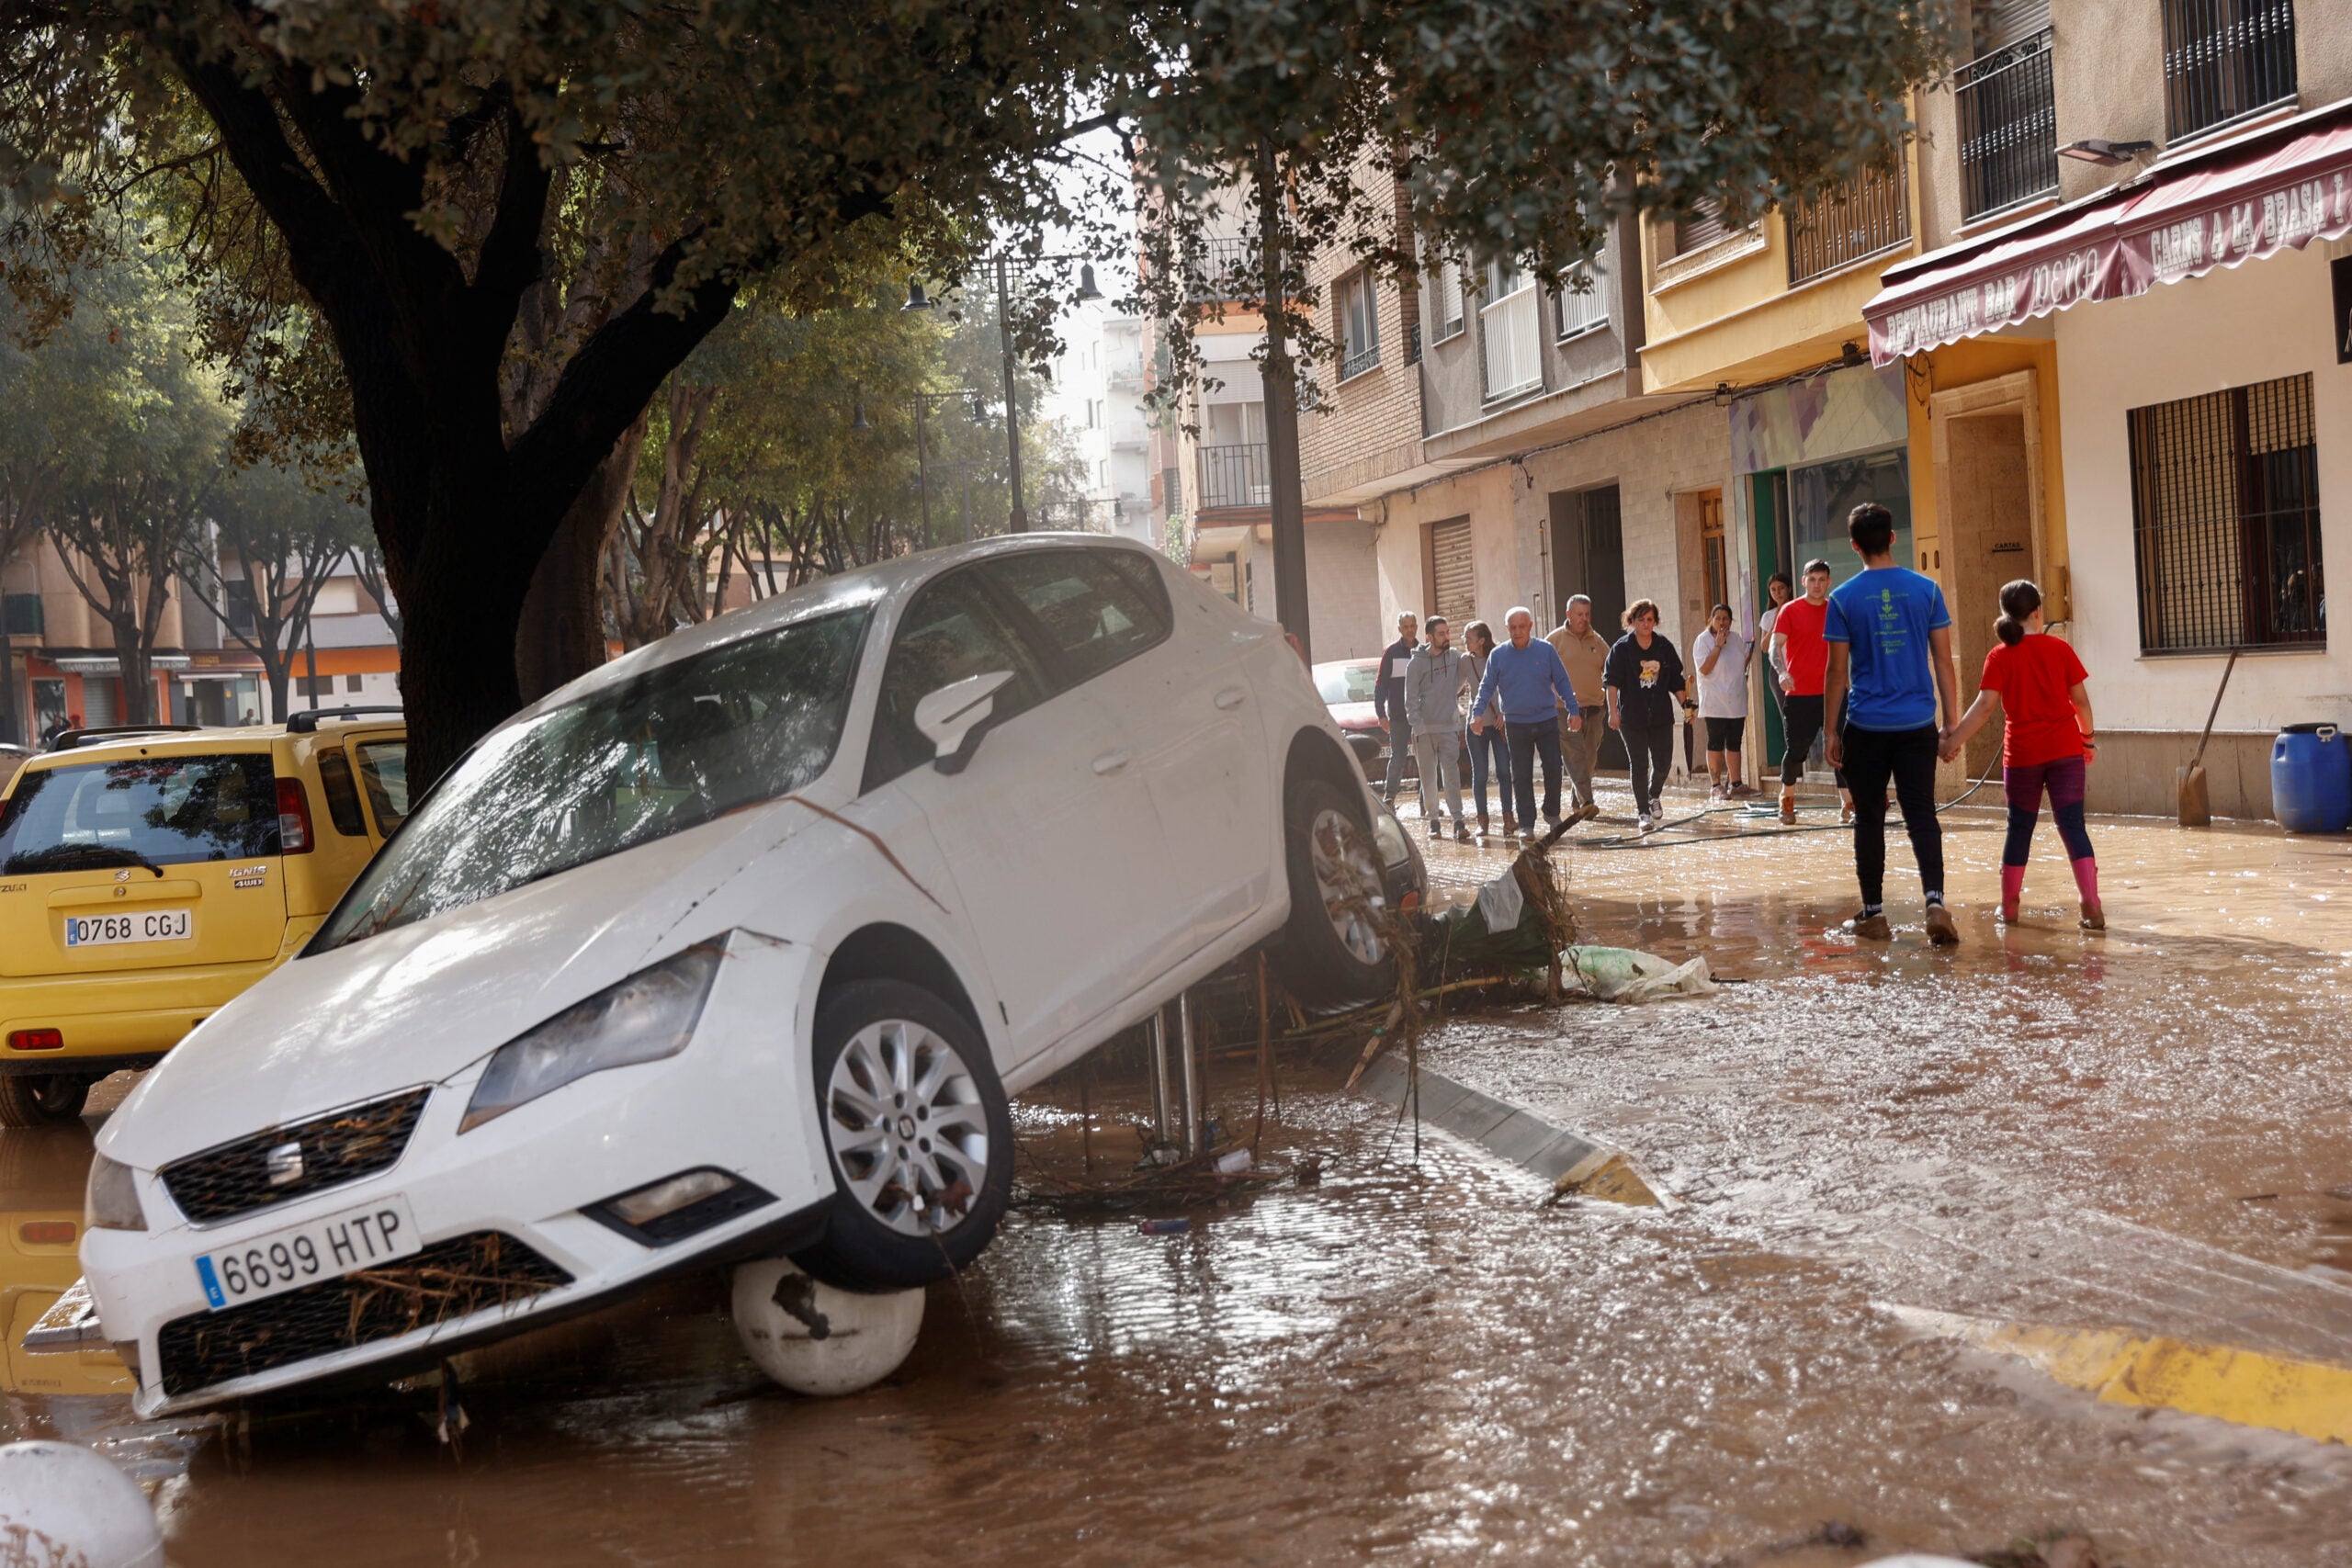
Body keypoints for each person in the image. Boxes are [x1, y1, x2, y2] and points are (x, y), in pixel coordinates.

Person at [1824, 501, 1960, 947]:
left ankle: (1875, 914)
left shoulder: (1842, 598)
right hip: (1917, 723)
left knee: (1869, 818)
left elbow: (1836, 672)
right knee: (1921, 813)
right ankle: (1935, 902)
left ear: (1855, 546)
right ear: (1893, 538)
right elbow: (1943, 661)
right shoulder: (1926, 590)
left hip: (1865, 726)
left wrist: (1830, 731)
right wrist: (1952, 724)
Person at [1940, 580, 2102, 931]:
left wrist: (1952, 743)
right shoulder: (2060, 650)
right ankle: (2090, 904)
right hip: (2065, 751)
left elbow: (1984, 708)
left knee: (2019, 829)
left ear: (2006, 615)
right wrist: (2087, 741)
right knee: (2073, 826)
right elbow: (2081, 702)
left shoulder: (1999, 656)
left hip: (2023, 755)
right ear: (2038, 612)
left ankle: (2010, 907)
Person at [1471, 606, 1582, 834]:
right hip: (1516, 724)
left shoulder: (1546, 650)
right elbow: (1486, 687)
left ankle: (1552, 813)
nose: (1517, 631)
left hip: (1546, 720)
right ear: (1507, 629)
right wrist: (1477, 713)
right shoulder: (1498, 655)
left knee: (1553, 768)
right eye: (1513, 628)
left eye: (1522, 626)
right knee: (1521, 775)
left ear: (1530, 626)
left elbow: (1562, 681)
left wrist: (1574, 710)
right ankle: (1526, 824)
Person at [1770, 559, 1854, 826]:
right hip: (1800, 693)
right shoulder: (1790, 611)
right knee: (1796, 751)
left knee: (1839, 749)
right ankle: (1787, 799)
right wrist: (1782, 671)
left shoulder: (1837, 611)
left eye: (1822, 580)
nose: (1817, 585)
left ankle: (1848, 805)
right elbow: (1774, 645)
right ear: (1804, 581)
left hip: (1835, 693)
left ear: (1829, 582)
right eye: (1812, 579)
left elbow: (1851, 647)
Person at [1602, 599, 1687, 830]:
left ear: (1655, 621)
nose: (1646, 624)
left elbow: (1676, 680)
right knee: (1639, 765)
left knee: (1663, 763)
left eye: (1650, 620)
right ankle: (1643, 813)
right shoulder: (1621, 649)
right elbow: (1611, 683)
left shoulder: (1663, 647)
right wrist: (1613, 713)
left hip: (1660, 715)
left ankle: (1653, 794)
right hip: (1631, 717)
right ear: (1632, 621)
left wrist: (1685, 704)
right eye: (1641, 620)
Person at [1403, 615, 1472, 841]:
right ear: (1429, 637)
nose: (1446, 637)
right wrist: (1418, 726)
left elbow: (1461, 681)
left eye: (1447, 632)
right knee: (1428, 778)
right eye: (1441, 633)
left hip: (1448, 728)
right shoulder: (1416, 663)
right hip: (1424, 732)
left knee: (1451, 775)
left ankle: (1458, 821)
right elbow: (1410, 698)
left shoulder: (1455, 657)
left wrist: (1451, 707)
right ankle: (1433, 821)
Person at [1545, 595, 1610, 825]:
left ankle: (1578, 802)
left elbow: (1610, 667)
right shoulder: (1554, 640)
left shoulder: (1597, 640)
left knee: (1589, 758)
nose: (1584, 619)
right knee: (1574, 756)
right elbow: (1543, 673)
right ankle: (1587, 802)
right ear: (1568, 615)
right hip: (1563, 710)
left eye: (1587, 614)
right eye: (1579, 614)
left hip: (1594, 708)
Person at [1461, 620, 1516, 839]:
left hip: (1499, 724)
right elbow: (1453, 687)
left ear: (1481, 640)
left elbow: (1511, 686)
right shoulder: (1465, 661)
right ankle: (1482, 822)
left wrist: (1505, 712)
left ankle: (1508, 819)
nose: (1465, 642)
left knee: (1504, 772)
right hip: (1476, 726)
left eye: (1469, 638)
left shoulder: (1501, 655)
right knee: (1480, 774)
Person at [1692, 603, 1753, 799]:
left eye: (1725, 618)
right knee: (1715, 742)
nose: (1722, 622)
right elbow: (1705, 668)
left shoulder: (1735, 639)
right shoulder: (1703, 641)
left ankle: (1736, 783)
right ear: (1711, 619)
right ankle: (1716, 785)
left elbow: (1745, 658)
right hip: (1714, 702)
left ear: (1730, 621)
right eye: (1718, 618)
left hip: (1736, 699)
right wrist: (1718, 645)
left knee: (1735, 742)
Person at [1372, 611, 1419, 808]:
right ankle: (1390, 799)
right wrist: (1381, 714)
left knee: (1425, 760)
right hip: (1399, 717)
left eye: (1412, 626)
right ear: (1400, 629)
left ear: (1417, 627)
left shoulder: (1424, 652)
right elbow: (1380, 685)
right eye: (1405, 627)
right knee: (1398, 758)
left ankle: (1427, 804)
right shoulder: (1391, 653)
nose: (1409, 630)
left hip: (1421, 716)